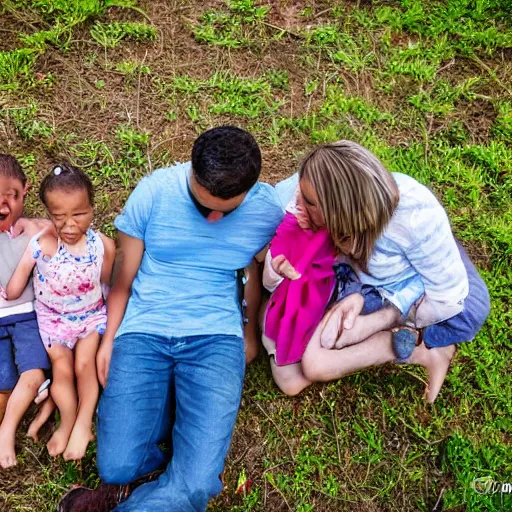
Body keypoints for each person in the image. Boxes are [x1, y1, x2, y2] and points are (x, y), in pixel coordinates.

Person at [61, 126, 284, 512]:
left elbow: (252, 269)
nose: (213, 219)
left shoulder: (267, 211)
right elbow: (122, 281)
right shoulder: (154, 192)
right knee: (117, 466)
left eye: (226, 211)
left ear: (248, 192)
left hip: (216, 338)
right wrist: (111, 338)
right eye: (203, 208)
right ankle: (158, 476)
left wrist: (248, 332)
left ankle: (160, 485)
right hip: (145, 330)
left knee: (197, 484)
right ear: (191, 173)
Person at [280, 140, 490, 402]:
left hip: (422, 295)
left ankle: (421, 345)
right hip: (362, 285)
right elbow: (287, 230)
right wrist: (304, 234)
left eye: (309, 202)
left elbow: (449, 297)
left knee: (314, 364)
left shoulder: (415, 217)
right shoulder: (315, 191)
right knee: (303, 368)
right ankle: (417, 348)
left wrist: (383, 319)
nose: (298, 203)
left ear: (341, 211)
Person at [4, 163, 115, 460]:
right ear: (48, 214)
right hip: (53, 322)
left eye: (79, 215)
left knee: (84, 366)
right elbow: (17, 282)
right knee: (63, 370)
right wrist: (9, 293)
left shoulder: (103, 245)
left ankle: (82, 422)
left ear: (92, 208)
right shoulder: (40, 244)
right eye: (58, 216)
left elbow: (106, 280)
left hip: (91, 317)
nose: (69, 225)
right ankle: (66, 421)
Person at [0, 154, 51, 469]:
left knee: (32, 374)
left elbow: (80, 238)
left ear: (26, 190)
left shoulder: (39, 229)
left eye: (11, 196)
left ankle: (7, 431)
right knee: (4, 383)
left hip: (30, 317)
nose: (3, 206)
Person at [261, 192, 337, 396]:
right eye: (299, 202)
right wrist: (279, 267)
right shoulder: (292, 223)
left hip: (325, 301)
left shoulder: (342, 230)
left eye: (309, 204)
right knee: (290, 383)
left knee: (292, 381)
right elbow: (269, 282)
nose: (301, 209)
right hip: (285, 307)